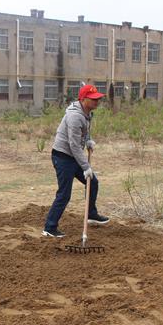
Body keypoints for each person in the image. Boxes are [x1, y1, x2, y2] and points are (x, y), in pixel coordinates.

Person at [43, 85, 110, 238]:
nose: (97, 101)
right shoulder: (74, 116)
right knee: (64, 194)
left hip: (73, 156)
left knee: (93, 182)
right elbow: (73, 144)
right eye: (94, 99)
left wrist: (87, 141)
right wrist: (85, 166)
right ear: (83, 99)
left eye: (98, 99)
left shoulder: (87, 113)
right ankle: (49, 227)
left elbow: (83, 132)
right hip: (63, 157)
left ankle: (91, 214)